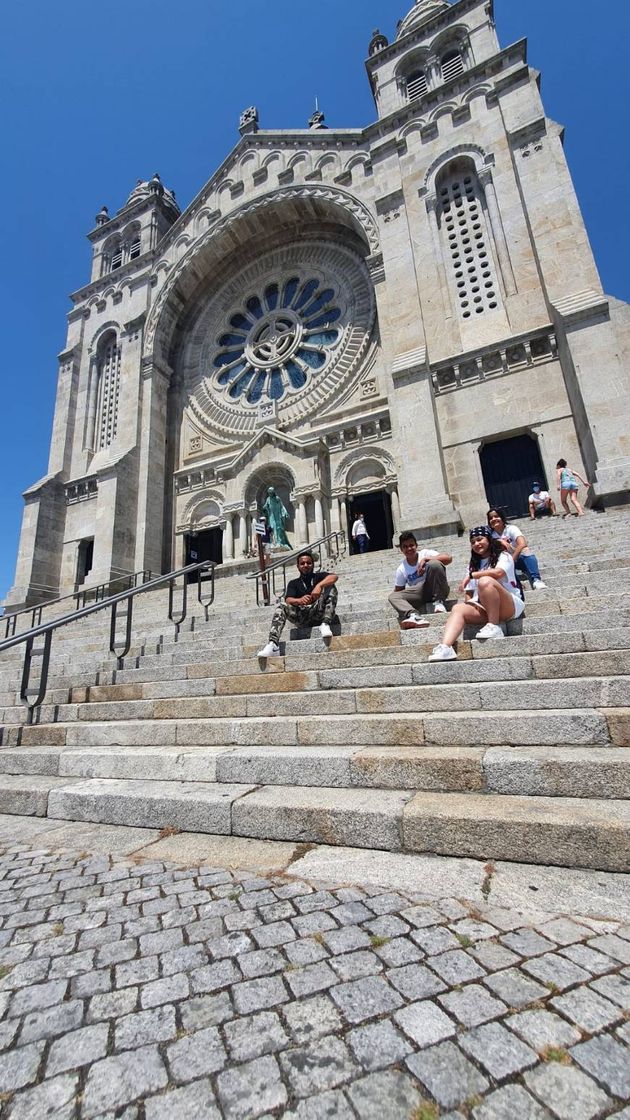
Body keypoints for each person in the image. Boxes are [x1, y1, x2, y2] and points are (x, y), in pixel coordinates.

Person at [429, 525, 525, 661]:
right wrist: (467, 608)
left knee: (485, 581)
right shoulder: (473, 564)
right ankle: (446, 647)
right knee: (458, 608)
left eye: (480, 539)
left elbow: (499, 573)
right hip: (487, 607)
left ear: (489, 539)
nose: (476, 544)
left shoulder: (503, 556)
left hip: (509, 606)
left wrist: (474, 575)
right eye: (473, 542)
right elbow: (469, 594)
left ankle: (494, 626)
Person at [258, 551, 338, 658]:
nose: (306, 565)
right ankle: (273, 645)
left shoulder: (319, 576)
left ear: (313, 564)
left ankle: (325, 624)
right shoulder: (293, 583)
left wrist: (319, 586)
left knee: (330, 587)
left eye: (308, 563)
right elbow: (288, 599)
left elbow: (334, 577)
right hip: (302, 616)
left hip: (318, 613)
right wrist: (299, 600)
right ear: (298, 566)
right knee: (281, 607)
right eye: (303, 563)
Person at [388, 531, 452, 629]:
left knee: (434, 564)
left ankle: (439, 601)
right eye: (405, 546)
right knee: (393, 596)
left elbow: (448, 558)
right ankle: (414, 615)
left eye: (411, 545)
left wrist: (427, 559)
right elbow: (399, 591)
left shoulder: (425, 553)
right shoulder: (401, 569)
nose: (409, 549)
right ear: (401, 549)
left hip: (437, 587)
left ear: (416, 545)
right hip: (420, 593)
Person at [487, 508, 546, 590]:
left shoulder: (511, 528)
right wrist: (499, 541)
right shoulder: (490, 536)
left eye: (496, 516)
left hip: (516, 558)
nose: (494, 519)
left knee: (526, 551)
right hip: (502, 563)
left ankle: (536, 580)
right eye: (491, 518)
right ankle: (515, 585)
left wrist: (512, 559)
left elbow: (522, 544)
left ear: (502, 518)